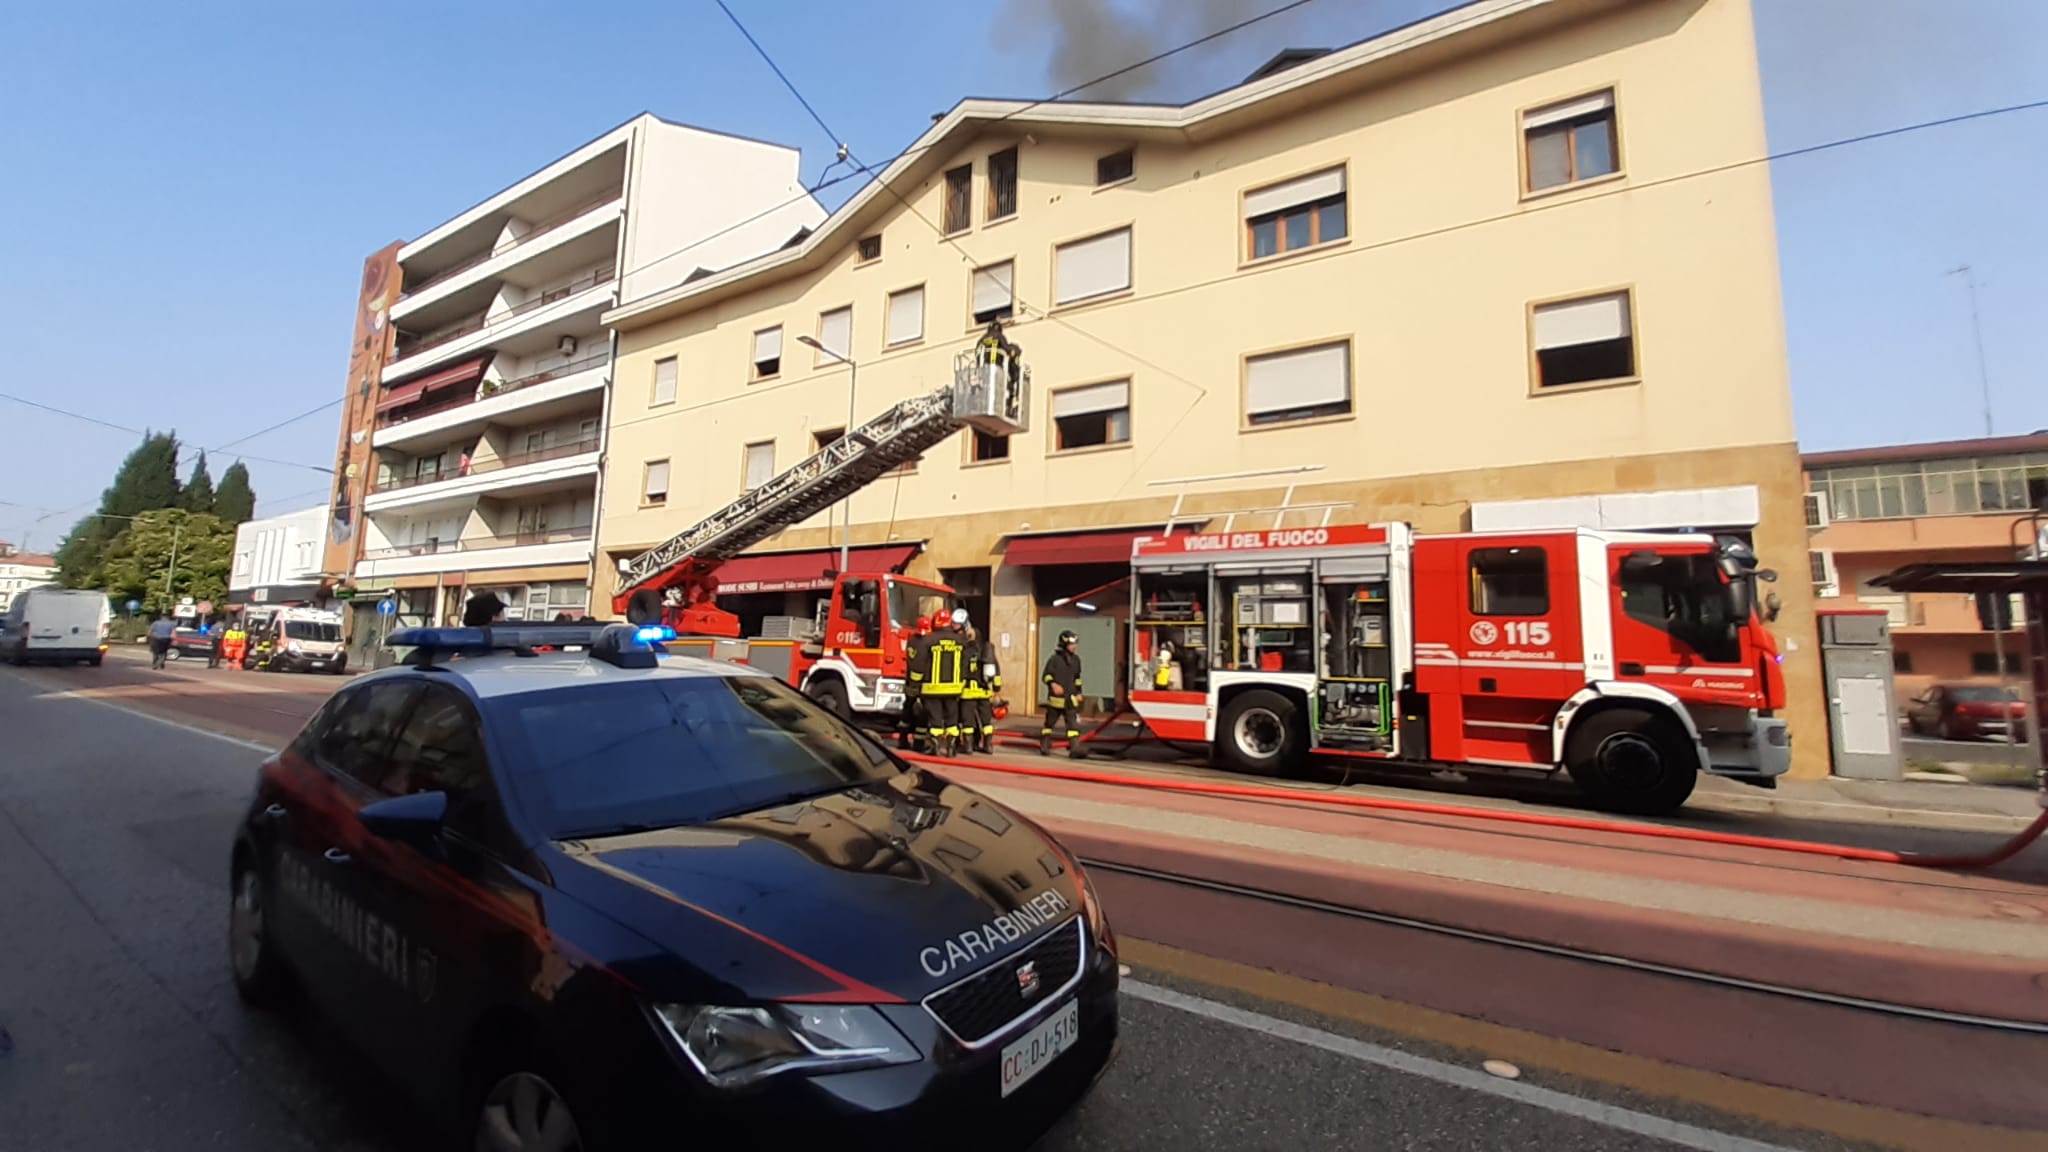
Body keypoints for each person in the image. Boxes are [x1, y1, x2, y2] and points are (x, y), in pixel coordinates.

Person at [917, 610, 967, 757]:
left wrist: (915, 684)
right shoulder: (961, 640)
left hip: (932, 689)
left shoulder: (928, 640)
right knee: (952, 718)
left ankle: (936, 747)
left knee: (935, 719)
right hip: (954, 688)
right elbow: (965, 664)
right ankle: (951, 748)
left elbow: (920, 664)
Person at [959, 616, 1001, 755]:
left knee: (968, 721)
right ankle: (988, 746)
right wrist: (996, 690)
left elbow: (960, 671)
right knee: (986, 721)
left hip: (967, 692)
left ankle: (969, 747)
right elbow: (996, 672)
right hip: (983, 691)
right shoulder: (986, 651)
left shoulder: (963, 651)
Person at [1041, 629, 1085, 759]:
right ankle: (1044, 744)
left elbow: (1077, 678)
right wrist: (1053, 684)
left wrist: (1079, 692)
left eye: (1075, 644)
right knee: (1049, 724)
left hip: (1070, 699)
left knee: (1072, 725)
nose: (1074, 646)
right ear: (1064, 644)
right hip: (1056, 700)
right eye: (1072, 644)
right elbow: (1046, 676)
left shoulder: (1076, 660)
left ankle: (1075, 748)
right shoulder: (1054, 660)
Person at [899, 613, 934, 751]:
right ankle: (918, 744)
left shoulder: (912, 640)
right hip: (922, 684)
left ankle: (903, 740)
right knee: (922, 714)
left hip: (910, 683)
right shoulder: (927, 642)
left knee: (906, 711)